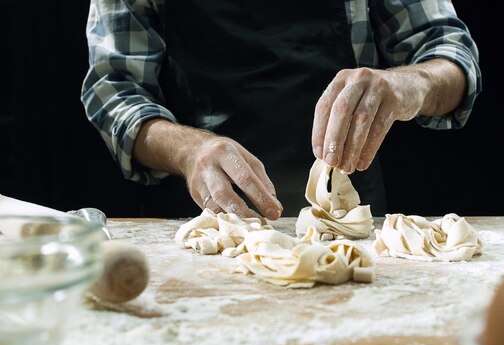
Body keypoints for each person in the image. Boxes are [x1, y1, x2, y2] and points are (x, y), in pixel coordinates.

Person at [81, 0, 482, 220]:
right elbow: (114, 90)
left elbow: (450, 53)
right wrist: (188, 150)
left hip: (348, 224)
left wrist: (410, 83)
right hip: (205, 224)